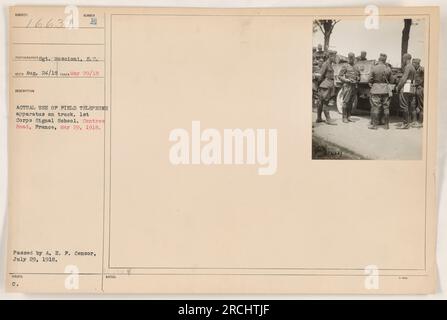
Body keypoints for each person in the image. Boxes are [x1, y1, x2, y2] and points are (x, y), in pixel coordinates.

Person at [368, 53, 393, 130]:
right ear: (385, 60)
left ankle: (375, 125)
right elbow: (391, 80)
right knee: (386, 107)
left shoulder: (374, 68)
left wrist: (372, 84)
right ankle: (386, 125)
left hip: (376, 89)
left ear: (379, 59)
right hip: (385, 90)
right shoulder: (388, 68)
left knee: (376, 107)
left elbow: (369, 79)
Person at [316, 50, 337, 125]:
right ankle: (328, 119)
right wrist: (320, 84)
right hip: (326, 85)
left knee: (321, 102)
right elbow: (320, 75)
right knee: (325, 102)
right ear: (330, 56)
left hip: (327, 85)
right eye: (334, 56)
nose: (335, 58)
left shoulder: (330, 64)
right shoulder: (326, 64)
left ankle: (319, 118)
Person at [338, 52, 360, 123]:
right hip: (347, 86)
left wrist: (358, 79)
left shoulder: (356, 66)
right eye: (350, 58)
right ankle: (344, 117)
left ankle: (349, 116)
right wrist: (346, 80)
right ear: (348, 58)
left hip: (354, 86)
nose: (351, 59)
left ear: (354, 58)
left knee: (351, 102)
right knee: (345, 102)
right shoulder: (345, 66)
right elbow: (340, 76)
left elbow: (359, 76)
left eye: (352, 57)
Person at [396, 53, 416, 129]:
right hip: (411, 87)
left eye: (403, 59)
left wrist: (398, 87)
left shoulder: (407, 67)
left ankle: (405, 123)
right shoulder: (413, 67)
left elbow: (404, 78)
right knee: (410, 105)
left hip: (406, 87)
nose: (403, 60)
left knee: (404, 105)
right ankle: (410, 122)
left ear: (405, 59)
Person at [412, 58, 424, 127]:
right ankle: (415, 121)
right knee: (414, 105)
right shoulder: (416, 70)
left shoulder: (422, 69)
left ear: (417, 63)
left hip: (420, 89)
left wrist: (416, 83)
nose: (413, 64)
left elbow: (422, 79)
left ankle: (420, 122)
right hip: (416, 89)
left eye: (414, 63)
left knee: (421, 106)